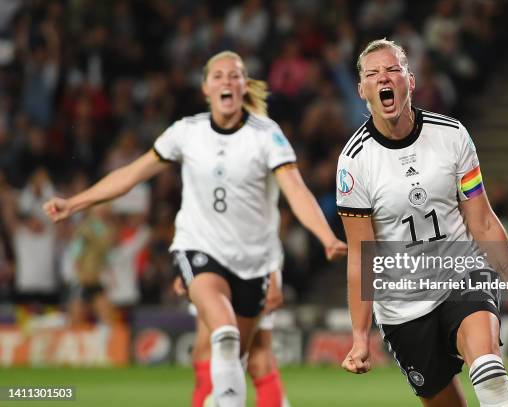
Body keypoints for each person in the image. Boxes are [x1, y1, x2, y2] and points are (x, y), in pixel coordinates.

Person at [44, 50, 347, 407]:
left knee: (236, 356)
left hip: (252, 261)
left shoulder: (266, 136)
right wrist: (74, 202)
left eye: (235, 76)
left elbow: (295, 190)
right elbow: (131, 175)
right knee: (224, 333)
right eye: (218, 76)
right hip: (198, 248)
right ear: (205, 87)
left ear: (244, 85)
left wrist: (326, 236)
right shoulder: (186, 133)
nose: (227, 82)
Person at [336, 39, 508, 407]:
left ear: (410, 80)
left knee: (489, 372)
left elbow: (482, 222)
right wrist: (360, 336)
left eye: (392, 70)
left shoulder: (452, 136)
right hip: (402, 306)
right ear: (362, 90)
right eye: (372, 73)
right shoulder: (354, 163)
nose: (383, 78)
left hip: (461, 276)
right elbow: (361, 256)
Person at [175, 270, 290, 407]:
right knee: (256, 356)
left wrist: (272, 275)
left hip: (248, 266)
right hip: (226, 263)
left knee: (212, 352)